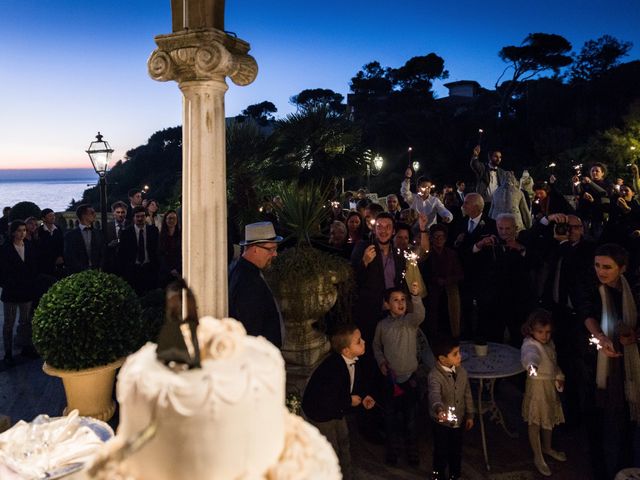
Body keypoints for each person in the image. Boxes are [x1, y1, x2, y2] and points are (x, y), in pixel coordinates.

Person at [582, 244, 640, 479]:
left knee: (628, 422)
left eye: (607, 267)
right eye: (597, 265)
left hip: (630, 365)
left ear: (622, 269)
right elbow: (587, 314)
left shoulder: (633, 291)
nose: (601, 271)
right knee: (604, 422)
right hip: (600, 367)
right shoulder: (592, 287)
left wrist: (633, 336)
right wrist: (602, 338)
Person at [302, 325, 375, 480]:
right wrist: (349, 401)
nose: (364, 342)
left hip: (337, 410)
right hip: (321, 414)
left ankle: (346, 475)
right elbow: (327, 397)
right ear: (346, 351)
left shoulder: (355, 361)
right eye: (358, 341)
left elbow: (355, 384)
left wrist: (364, 396)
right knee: (331, 450)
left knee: (344, 442)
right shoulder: (332, 369)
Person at [373, 283, 424, 466]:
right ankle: (392, 450)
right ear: (386, 304)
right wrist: (381, 362)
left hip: (409, 378)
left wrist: (416, 297)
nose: (400, 303)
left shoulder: (410, 322)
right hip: (390, 380)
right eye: (395, 300)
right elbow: (376, 346)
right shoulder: (382, 326)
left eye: (403, 299)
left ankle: (412, 450)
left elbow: (420, 315)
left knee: (411, 418)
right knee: (390, 417)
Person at [520, 309, 566, 477]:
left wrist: (559, 376)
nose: (545, 336)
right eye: (540, 332)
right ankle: (538, 456)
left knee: (548, 418)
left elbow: (553, 364)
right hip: (537, 388)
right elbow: (530, 356)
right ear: (531, 330)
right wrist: (532, 365)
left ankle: (547, 448)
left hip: (549, 388)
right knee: (535, 421)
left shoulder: (549, 343)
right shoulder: (530, 344)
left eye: (548, 332)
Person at [228, 222, 284, 348]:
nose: (275, 254)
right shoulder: (247, 282)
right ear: (255, 249)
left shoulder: (245, 270)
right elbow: (251, 330)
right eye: (271, 249)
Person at [428, 335, 474, 480]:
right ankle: (438, 475)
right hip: (441, 423)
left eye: (459, 352)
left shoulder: (462, 372)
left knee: (456, 450)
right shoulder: (435, 376)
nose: (459, 356)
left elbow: (467, 393)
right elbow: (434, 394)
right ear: (442, 359)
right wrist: (439, 409)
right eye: (455, 354)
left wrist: (470, 414)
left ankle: (455, 475)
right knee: (441, 451)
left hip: (458, 420)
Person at [0, 221, 38, 366]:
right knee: (8, 324)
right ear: (13, 232)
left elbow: (33, 265)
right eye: (19, 230)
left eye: (23, 230)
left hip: (26, 290)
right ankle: (8, 353)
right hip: (11, 291)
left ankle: (26, 346)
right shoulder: (5, 249)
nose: (22, 233)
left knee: (25, 321)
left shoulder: (29, 246)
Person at [421, 224, 464, 337]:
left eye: (441, 237)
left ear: (445, 238)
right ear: (431, 239)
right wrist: (435, 280)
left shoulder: (451, 254)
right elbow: (424, 274)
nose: (438, 240)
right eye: (436, 237)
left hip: (449, 293)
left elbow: (459, 274)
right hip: (432, 294)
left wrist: (447, 280)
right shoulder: (427, 255)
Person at [118, 206, 160, 296]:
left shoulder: (153, 231)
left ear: (146, 217)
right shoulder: (126, 233)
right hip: (133, 270)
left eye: (142, 216)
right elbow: (122, 254)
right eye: (137, 216)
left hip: (150, 268)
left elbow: (157, 250)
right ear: (133, 218)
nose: (140, 219)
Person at [64, 204, 103, 273]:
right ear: (83, 215)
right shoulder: (70, 236)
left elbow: (102, 253)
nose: (95, 215)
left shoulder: (98, 233)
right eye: (92, 213)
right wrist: (83, 270)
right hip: (78, 273)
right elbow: (70, 257)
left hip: (97, 272)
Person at [36, 208, 64, 276]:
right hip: (45, 262)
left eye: (53, 215)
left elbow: (62, 243)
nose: (53, 217)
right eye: (50, 216)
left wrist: (61, 256)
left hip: (59, 261)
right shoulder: (40, 231)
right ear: (43, 218)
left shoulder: (58, 229)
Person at [158, 209, 182, 287]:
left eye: (174, 218)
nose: (171, 220)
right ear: (165, 220)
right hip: (165, 272)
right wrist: (170, 270)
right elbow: (160, 255)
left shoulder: (182, 235)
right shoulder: (160, 236)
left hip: (179, 271)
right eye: (169, 218)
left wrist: (177, 269)